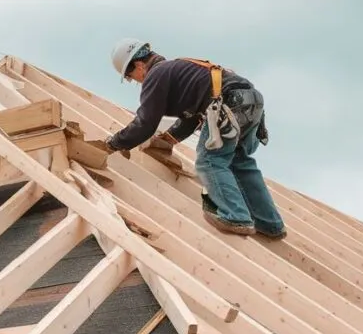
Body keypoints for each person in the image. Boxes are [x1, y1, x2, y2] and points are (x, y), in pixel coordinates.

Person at [101, 39, 286, 239]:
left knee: (209, 161)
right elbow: (192, 119)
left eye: (130, 77)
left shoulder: (156, 75)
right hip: (249, 101)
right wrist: (168, 140)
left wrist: (114, 143)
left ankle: (236, 217)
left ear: (138, 65)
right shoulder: (178, 70)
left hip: (231, 103)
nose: (135, 81)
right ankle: (270, 224)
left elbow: (146, 123)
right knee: (239, 162)